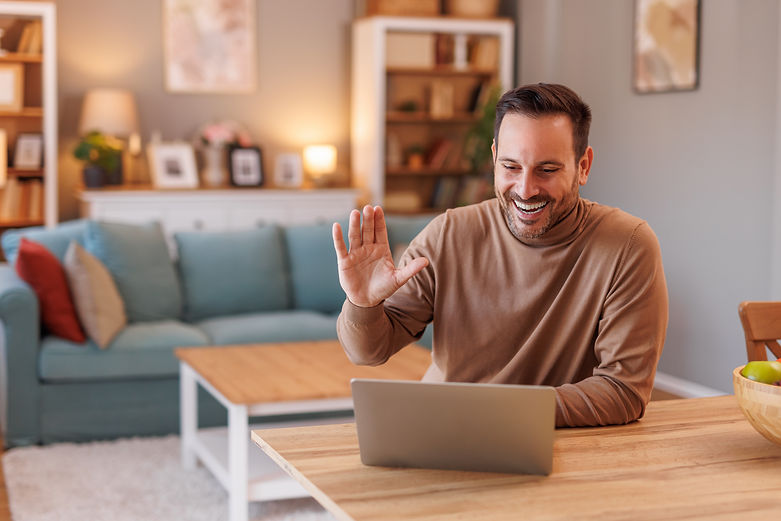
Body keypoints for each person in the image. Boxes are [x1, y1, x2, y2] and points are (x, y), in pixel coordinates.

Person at [332, 83, 668, 427]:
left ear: (583, 166)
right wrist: (363, 304)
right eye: (510, 167)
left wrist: (498, 413)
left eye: (547, 170)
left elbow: (623, 391)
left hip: (552, 442)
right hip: (443, 431)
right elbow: (368, 352)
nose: (525, 189)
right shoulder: (449, 233)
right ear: (493, 158)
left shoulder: (628, 245)